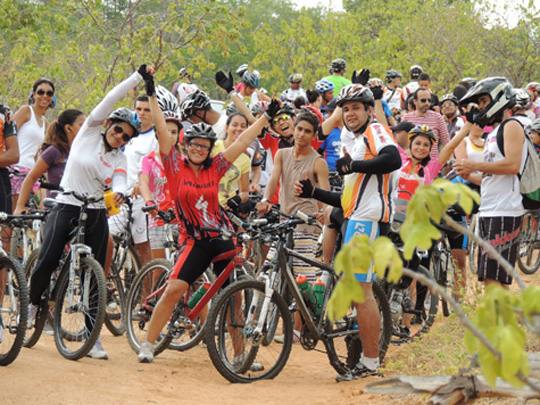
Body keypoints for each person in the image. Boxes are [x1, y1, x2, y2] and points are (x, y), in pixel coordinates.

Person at [137, 67, 281, 363]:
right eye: (195, 145)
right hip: (194, 241)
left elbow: (242, 141)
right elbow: (163, 129)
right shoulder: (174, 165)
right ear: (186, 146)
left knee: (234, 297)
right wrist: (151, 90)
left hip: (221, 236)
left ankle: (241, 355)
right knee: (176, 288)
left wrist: (267, 117)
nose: (200, 149)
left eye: (204, 146)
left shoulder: (216, 166)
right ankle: (149, 344)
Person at [27, 65, 148, 360]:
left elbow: (119, 178)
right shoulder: (89, 133)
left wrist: (119, 190)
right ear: (109, 124)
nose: (120, 136)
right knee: (49, 255)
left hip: (95, 210)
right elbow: (111, 96)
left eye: (126, 136)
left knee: (98, 277)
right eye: (118, 129)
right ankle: (32, 304)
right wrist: (137, 78)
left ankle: (92, 337)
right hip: (67, 202)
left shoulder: (119, 157)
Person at [317, 83, 402, 381]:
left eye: (356, 107)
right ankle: (364, 354)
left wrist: (355, 164)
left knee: (361, 291)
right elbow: (348, 193)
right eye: (346, 108)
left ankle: (370, 363)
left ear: (368, 110)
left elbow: (393, 159)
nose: (350, 113)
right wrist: (315, 191)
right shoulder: (349, 138)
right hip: (354, 217)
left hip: (368, 220)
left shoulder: (374, 131)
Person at [256, 110, 330, 341]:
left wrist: (324, 213)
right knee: (268, 270)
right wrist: (266, 199)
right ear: (294, 128)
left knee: (302, 279)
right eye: (299, 129)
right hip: (284, 222)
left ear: (313, 135)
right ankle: (260, 320)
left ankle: (298, 330)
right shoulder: (282, 153)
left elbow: (325, 194)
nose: (302, 134)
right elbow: (273, 179)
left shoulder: (318, 162)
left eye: (308, 131)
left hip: (307, 225)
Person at [454, 77, 526, 288]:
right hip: (489, 209)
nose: (482, 107)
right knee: (492, 278)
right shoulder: (493, 133)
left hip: (505, 210)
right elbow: (490, 177)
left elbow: (513, 165)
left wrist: (476, 166)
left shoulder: (512, 126)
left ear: (499, 97)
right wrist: (468, 174)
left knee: (493, 280)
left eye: (484, 101)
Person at [109, 95, 156, 268]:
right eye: (138, 109)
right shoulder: (127, 136)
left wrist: (142, 184)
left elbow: (157, 166)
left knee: (142, 251)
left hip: (141, 200)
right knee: (108, 239)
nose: (142, 113)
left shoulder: (155, 138)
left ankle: (145, 294)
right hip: (121, 197)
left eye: (147, 110)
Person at [138, 86, 182, 259]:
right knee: (159, 269)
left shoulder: (184, 161)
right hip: (158, 219)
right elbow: (143, 182)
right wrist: (149, 201)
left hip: (181, 220)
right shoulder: (148, 160)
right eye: (167, 131)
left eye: (174, 132)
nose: (170, 136)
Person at [13, 109, 85, 214]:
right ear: (69, 128)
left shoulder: (82, 152)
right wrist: (20, 206)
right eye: (81, 125)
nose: (86, 129)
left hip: (81, 207)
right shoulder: (54, 151)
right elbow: (32, 177)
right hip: (57, 209)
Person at [12, 78, 55, 208]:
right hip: (17, 169)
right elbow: (9, 136)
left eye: (49, 93)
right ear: (34, 94)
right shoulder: (25, 111)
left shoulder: (45, 122)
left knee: (43, 211)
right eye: (41, 92)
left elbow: (38, 153)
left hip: (32, 173)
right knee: (15, 217)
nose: (45, 96)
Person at [401, 87, 450, 160]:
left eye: (429, 100)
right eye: (423, 100)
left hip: (432, 163)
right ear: (415, 101)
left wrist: (450, 159)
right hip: (411, 163)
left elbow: (446, 141)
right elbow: (401, 143)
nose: (427, 103)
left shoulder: (437, 117)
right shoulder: (406, 118)